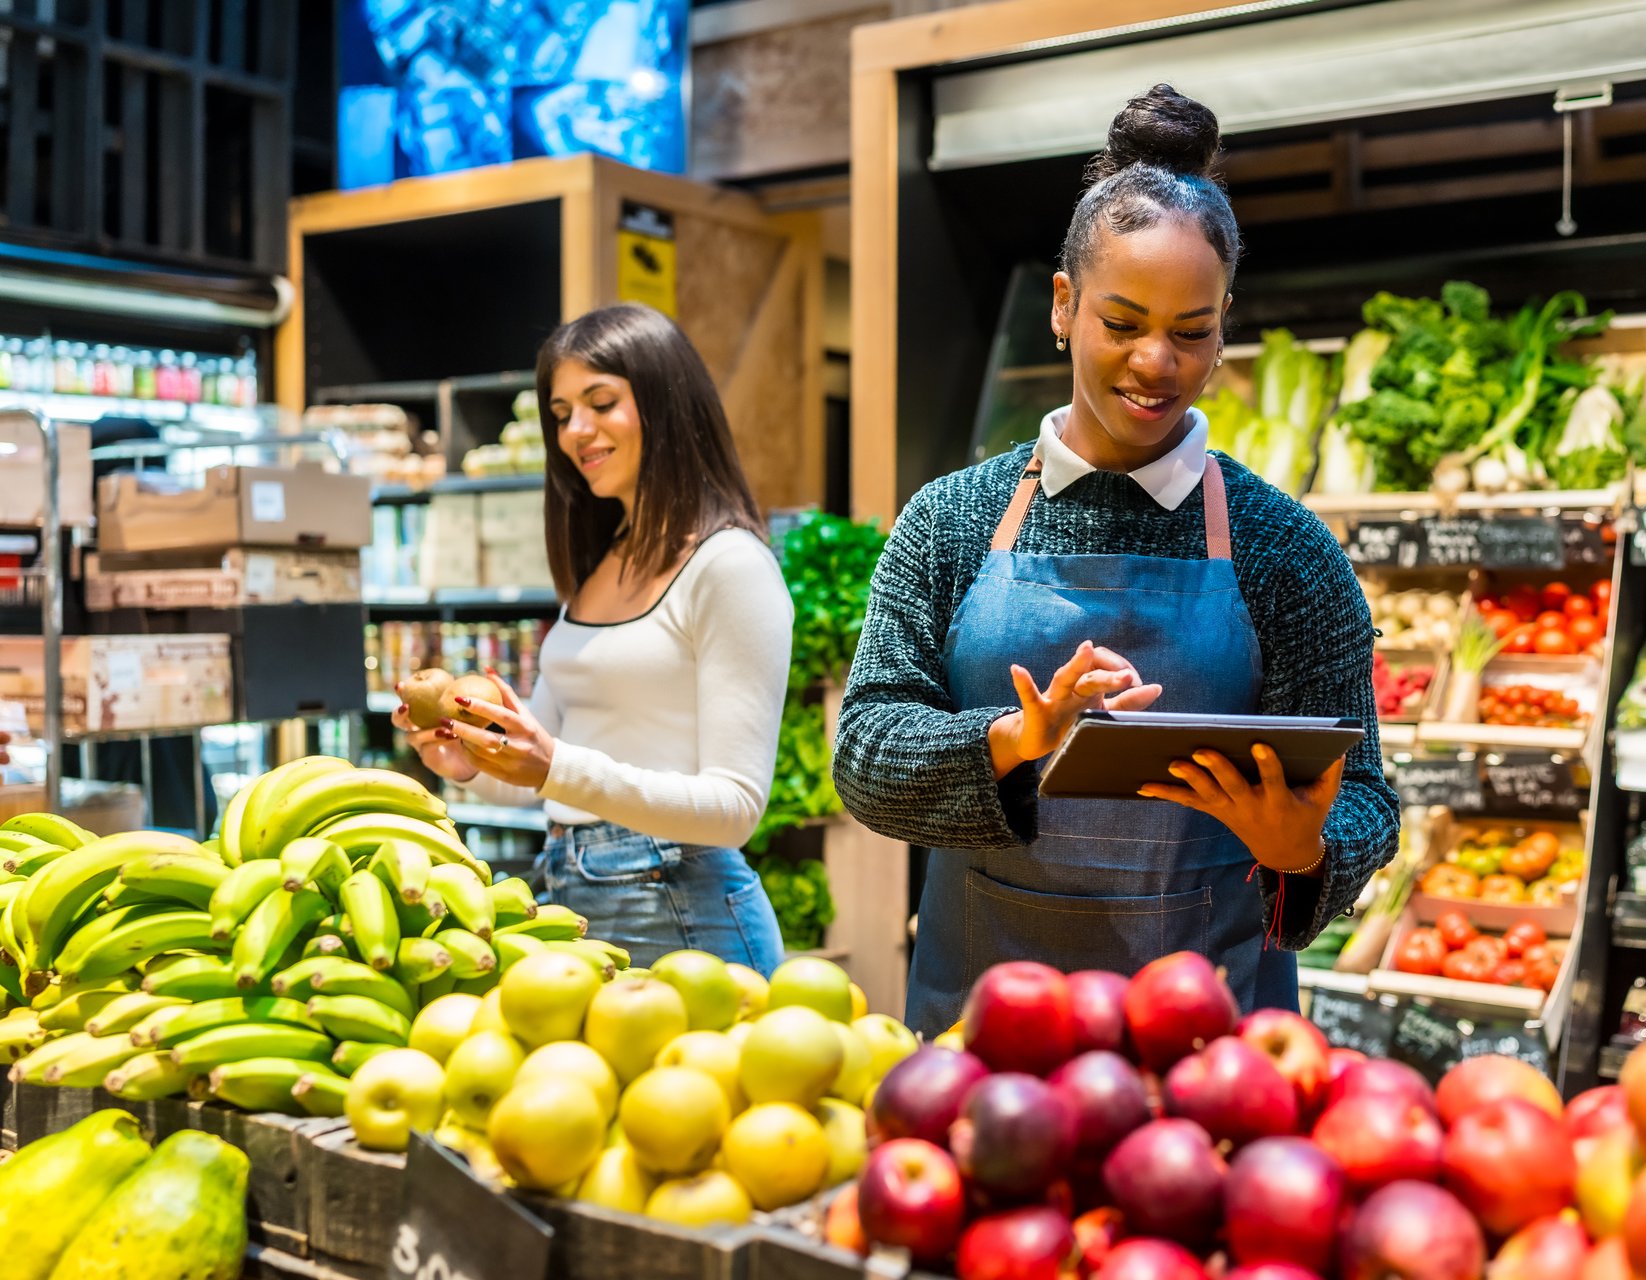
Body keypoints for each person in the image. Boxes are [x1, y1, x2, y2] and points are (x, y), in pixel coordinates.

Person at [834, 85, 1401, 1034]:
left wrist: (1306, 847)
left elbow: (1369, 798)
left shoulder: (1287, 549)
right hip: (985, 1029)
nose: (1156, 364)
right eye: (1123, 323)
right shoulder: (950, 520)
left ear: (1224, 325)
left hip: (1204, 1042)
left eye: (1192, 332)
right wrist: (1015, 741)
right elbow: (864, 754)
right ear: (1064, 306)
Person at [392, 303, 791, 973]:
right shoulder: (601, 562)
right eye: (561, 413)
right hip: (573, 891)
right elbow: (550, 777)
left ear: (666, 404)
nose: (576, 431)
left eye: (601, 402)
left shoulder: (730, 566)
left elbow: (734, 809)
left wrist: (554, 765)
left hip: (680, 905)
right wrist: (473, 765)